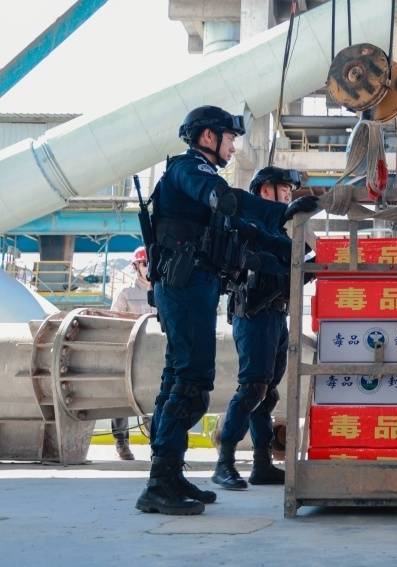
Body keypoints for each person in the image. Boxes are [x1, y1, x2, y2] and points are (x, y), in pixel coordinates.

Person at [136, 106, 318, 516]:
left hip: (194, 285)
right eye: (230, 139)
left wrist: (300, 254)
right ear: (208, 137)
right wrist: (279, 211)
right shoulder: (189, 171)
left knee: (180, 376)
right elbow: (227, 201)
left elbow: (245, 232)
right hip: (185, 284)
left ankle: (168, 473)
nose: (234, 147)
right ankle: (160, 481)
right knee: (191, 380)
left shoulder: (200, 180)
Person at [212, 166, 301, 490]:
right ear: (265, 191)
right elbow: (257, 263)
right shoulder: (248, 225)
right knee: (253, 388)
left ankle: (262, 463)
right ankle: (224, 462)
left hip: (276, 315)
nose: (288, 196)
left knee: (267, 393)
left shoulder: (280, 230)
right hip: (254, 314)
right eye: (283, 189)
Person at [109, 246, 157, 460]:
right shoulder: (126, 293)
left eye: (150, 263)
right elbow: (113, 323)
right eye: (144, 263)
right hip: (129, 355)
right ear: (136, 267)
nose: (148, 267)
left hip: (154, 356)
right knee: (122, 399)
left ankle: (158, 443)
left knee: (156, 401)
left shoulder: (162, 292)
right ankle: (122, 443)